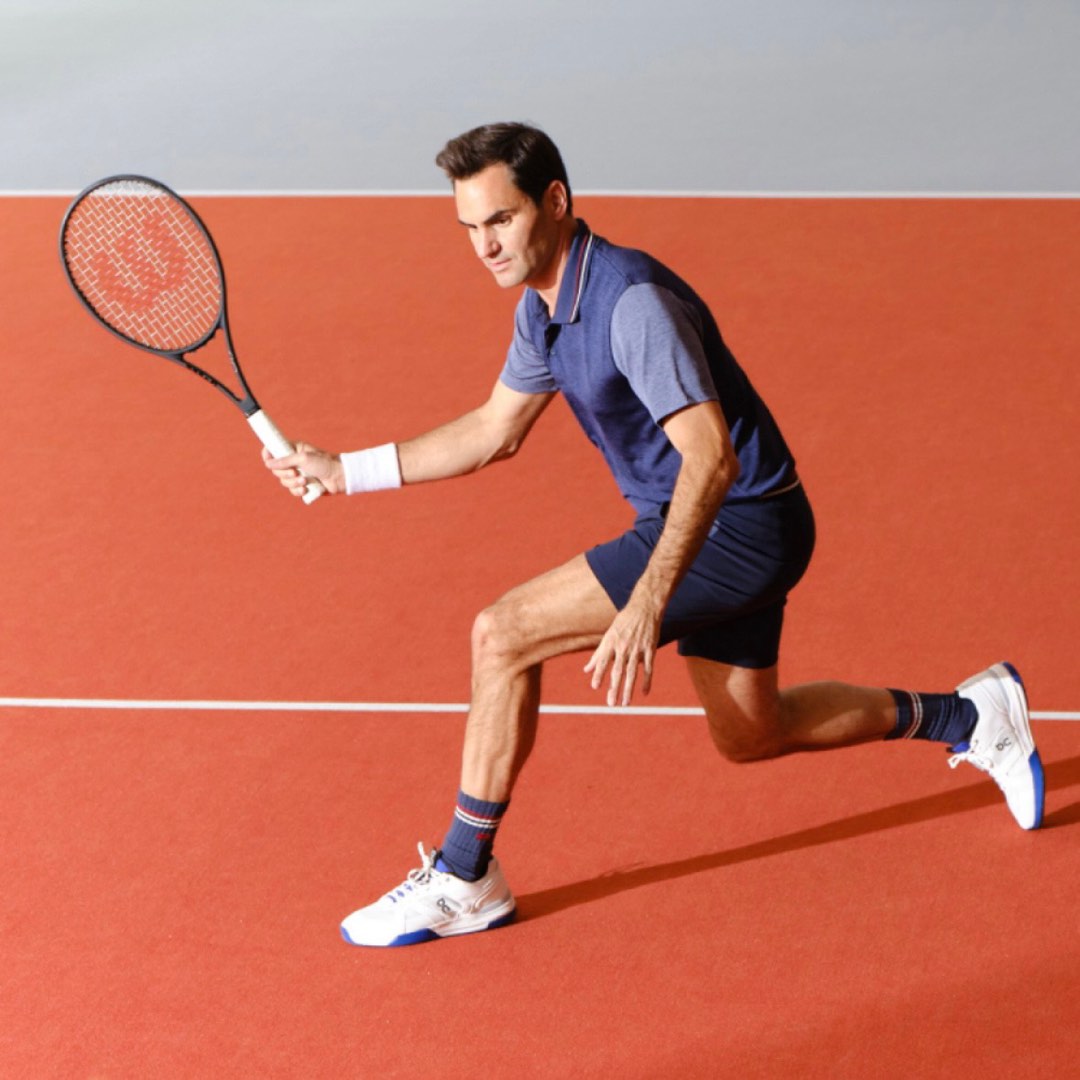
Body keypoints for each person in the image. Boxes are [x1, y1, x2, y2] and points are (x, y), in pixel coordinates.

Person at [264, 122, 1045, 948]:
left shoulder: (630, 303)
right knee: (752, 733)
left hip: (738, 522)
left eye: (499, 220)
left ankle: (466, 875)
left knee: (502, 635)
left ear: (554, 202)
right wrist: (344, 470)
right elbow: (495, 430)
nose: (484, 246)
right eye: (469, 228)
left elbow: (710, 459)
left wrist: (647, 600)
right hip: (732, 518)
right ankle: (969, 715)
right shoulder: (543, 308)